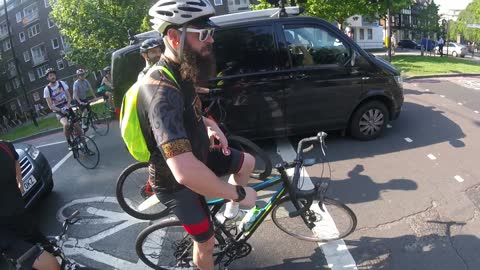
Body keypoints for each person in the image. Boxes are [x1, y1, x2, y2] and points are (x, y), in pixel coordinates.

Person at [140, 1, 258, 269]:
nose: (211, 39)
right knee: (207, 244)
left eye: (210, 31)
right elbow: (185, 172)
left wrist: (207, 123)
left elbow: (185, 111)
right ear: (173, 36)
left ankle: (227, 213)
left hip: (198, 154)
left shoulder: (180, 70)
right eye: (203, 34)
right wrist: (238, 193)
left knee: (247, 162)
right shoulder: (159, 92)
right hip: (175, 182)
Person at [0, 140, 60, 270]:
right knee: (52, 265)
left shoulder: (5, 146)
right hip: (7, 235)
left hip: (24, 220)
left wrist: (20, 182)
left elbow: (16, 160)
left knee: (54, 253)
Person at [43, 68, 81, 149]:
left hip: (66, 106)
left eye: (53, 75)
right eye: (50, 76)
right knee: (66, 124)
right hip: (58, 110)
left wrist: (67, 105)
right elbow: (50, 106)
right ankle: (69, 142)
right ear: (48, 78)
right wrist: (61, 110)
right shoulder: (47, 89)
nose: (52, 77)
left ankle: (85, 147)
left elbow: (69, 96)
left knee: (78, 127)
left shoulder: (61, 83)